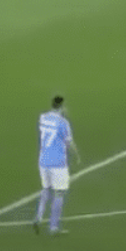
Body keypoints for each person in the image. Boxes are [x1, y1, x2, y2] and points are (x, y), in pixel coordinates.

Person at [33, 95, 78, 235]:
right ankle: (53, 227)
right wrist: (76, 155)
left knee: (46, 189)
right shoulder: (63, 123)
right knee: (59, 193)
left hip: (43, 160)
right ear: (62, 107)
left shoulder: (43, 117)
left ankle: (38, 217)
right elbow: (69, 142)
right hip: (58, 163)